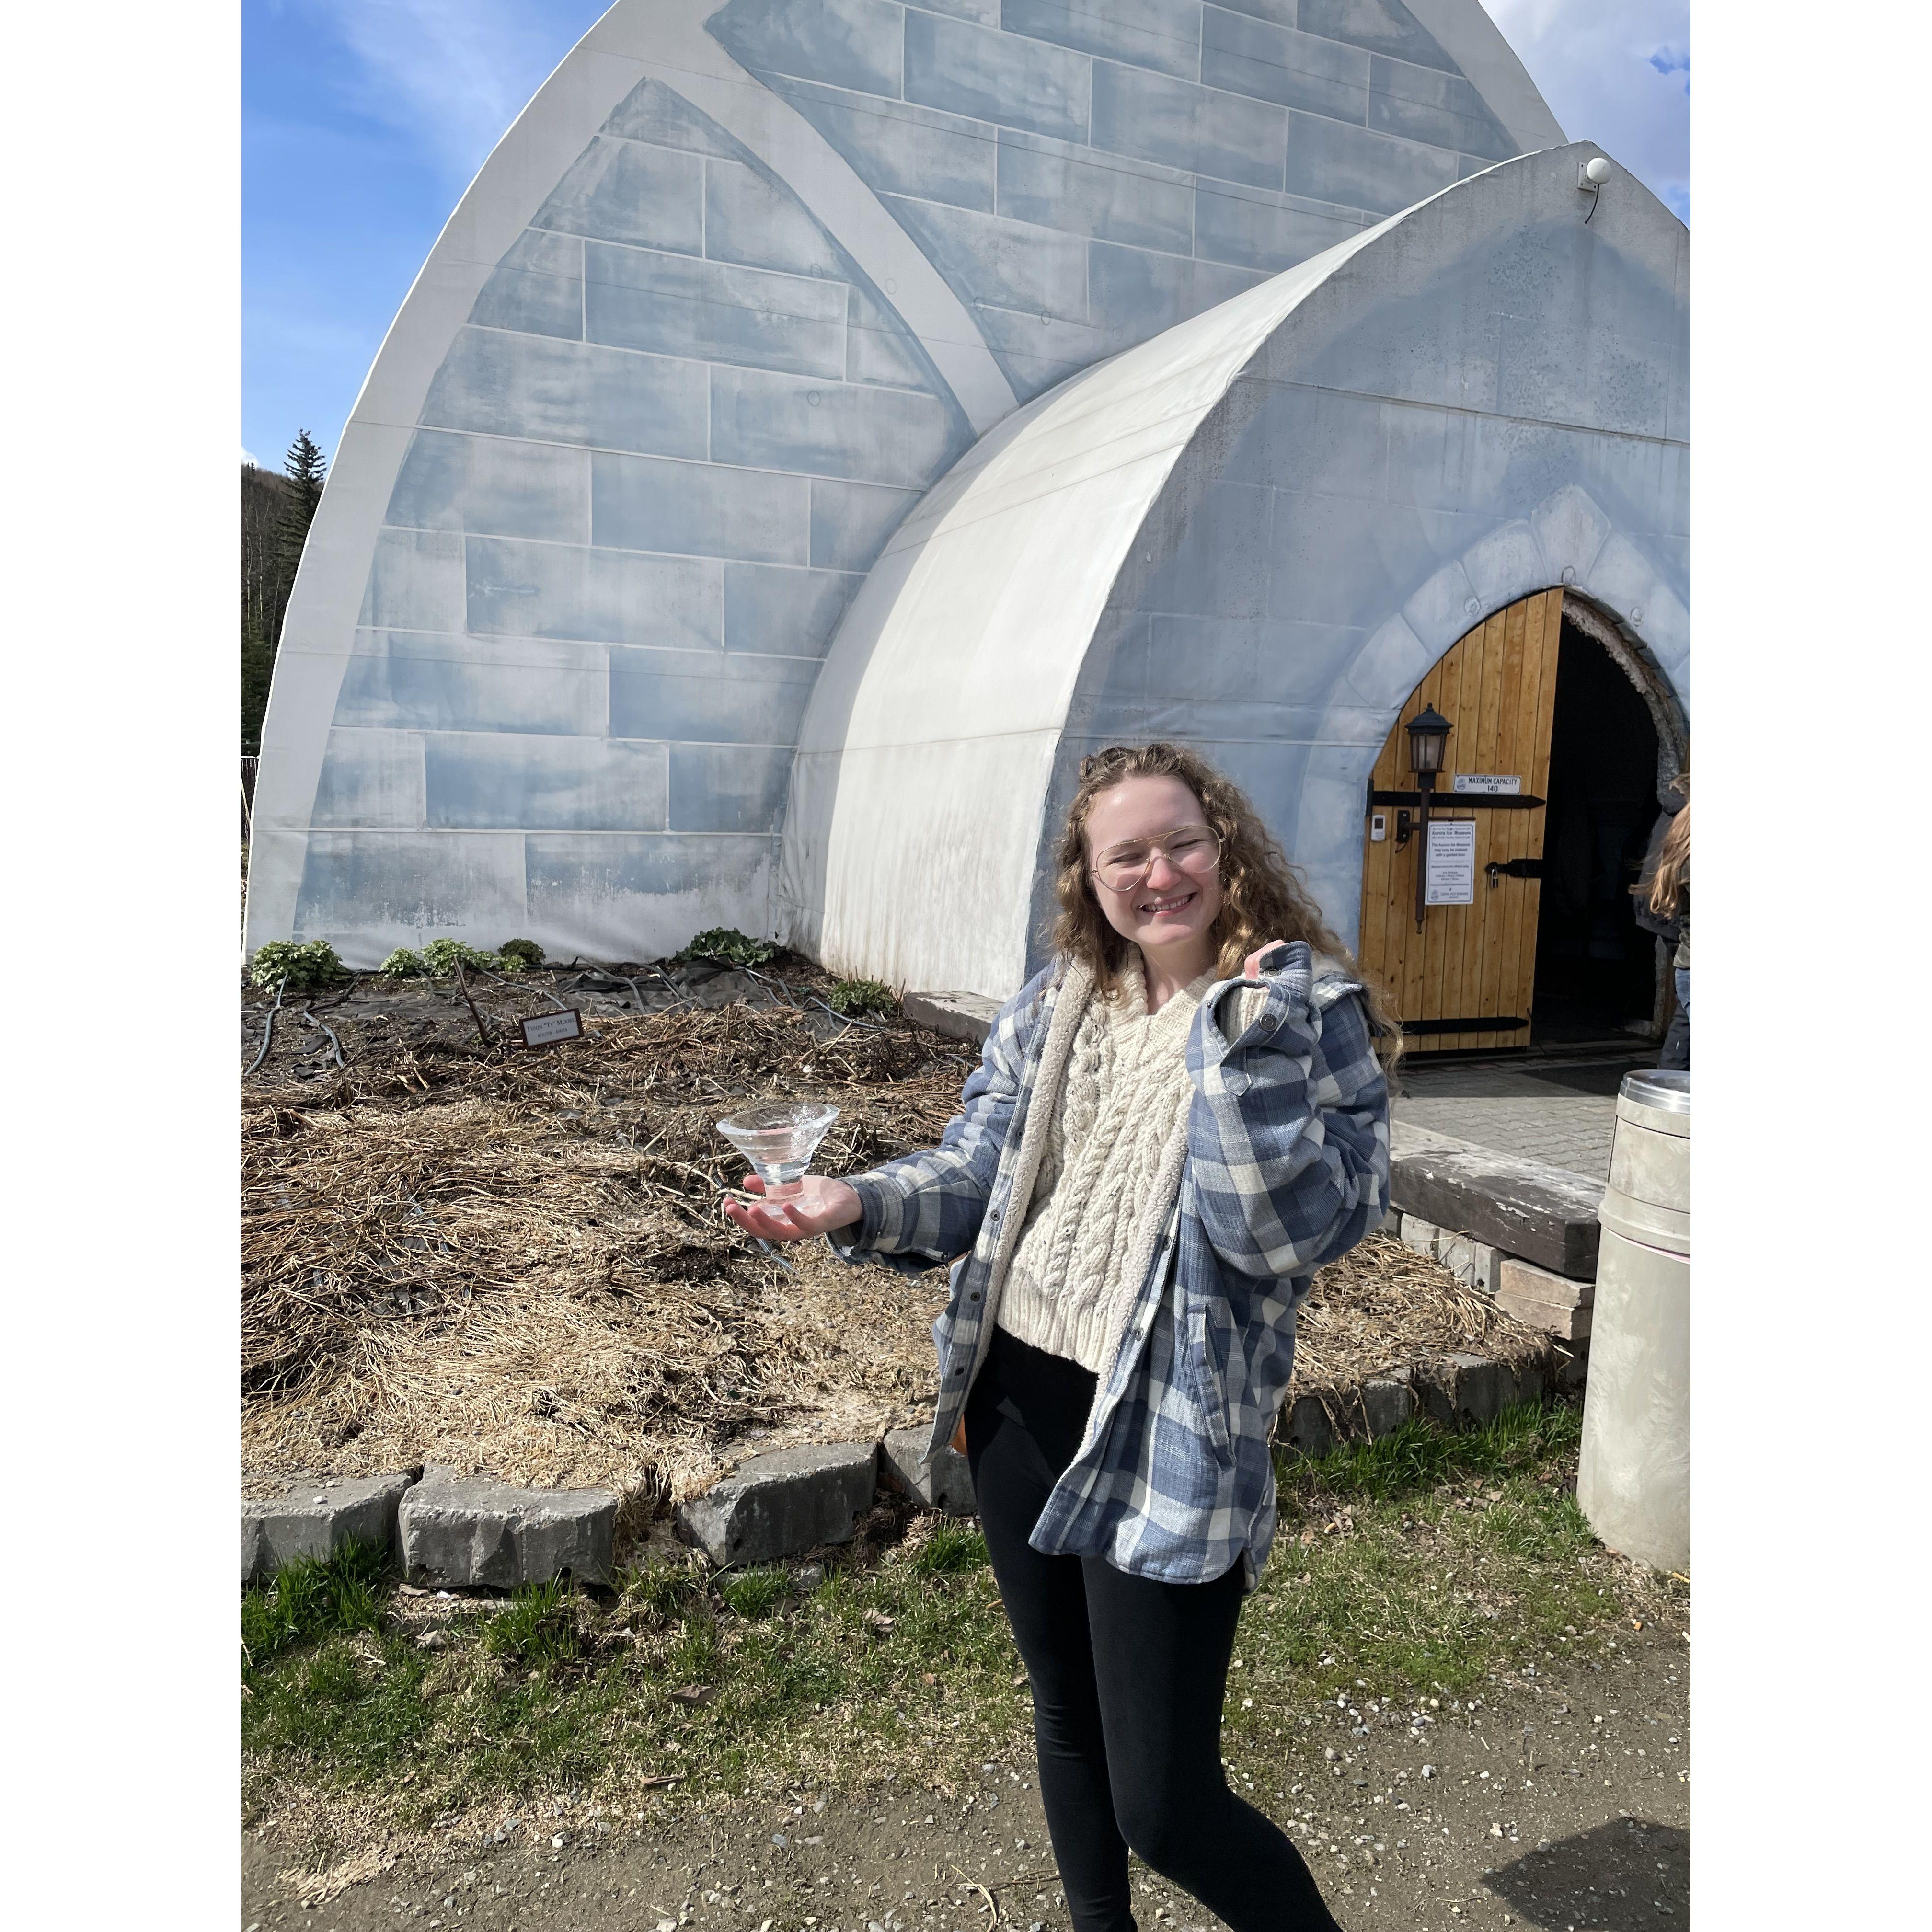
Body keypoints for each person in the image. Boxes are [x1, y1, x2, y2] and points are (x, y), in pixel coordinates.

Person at [723, 742, 1396, 1932]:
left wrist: (1243, 1050)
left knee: (1168, 1806)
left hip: (1168, 1424)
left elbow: (1283, 1235)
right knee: (1065, 1713)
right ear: (1088, 876)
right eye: (1125, 855)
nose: (1160, 875)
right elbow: (980, 1167)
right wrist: (856, 1201)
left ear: (1227, 848)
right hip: (1019, 1397)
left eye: (1181, 843)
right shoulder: (1059, 1001)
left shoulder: (1304, 1013)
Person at [1633, 775, 1690, 1070]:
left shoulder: (1675, 816)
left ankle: (1669, 1079)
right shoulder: (1687, 822)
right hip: (1674, 919)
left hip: (1663, 912)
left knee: (1685, 1015)